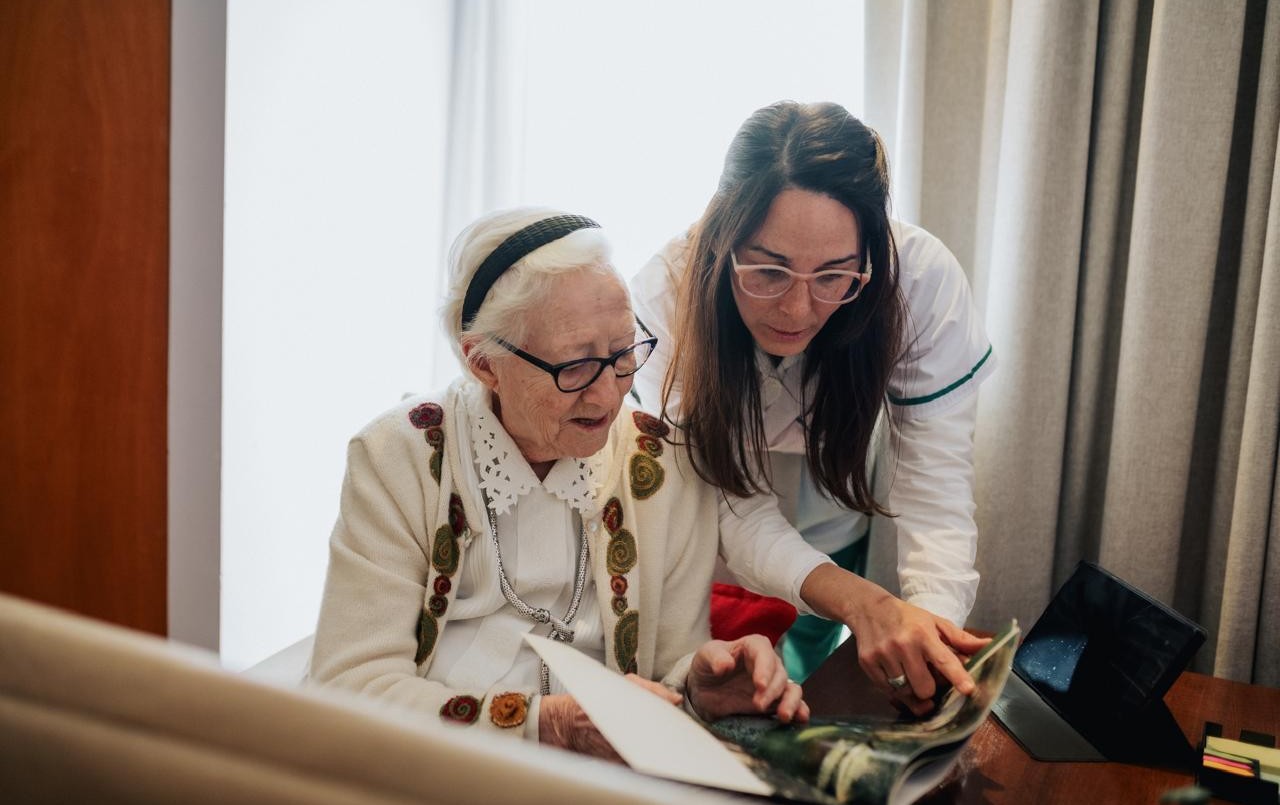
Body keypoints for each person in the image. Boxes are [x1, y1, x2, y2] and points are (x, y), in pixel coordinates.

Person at [308, 207, 806, 758]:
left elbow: (668, 664)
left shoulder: (667, 464)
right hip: (429, 766)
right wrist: (544, 724)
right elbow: (348, 690)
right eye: (575, 366)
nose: (608, 395)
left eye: (623, 354)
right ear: (484, 363)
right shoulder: (398, 457)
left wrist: (702, 685)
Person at [630, 101, 994, 712]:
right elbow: (731, 505)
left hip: (832, 514)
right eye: (769, 272)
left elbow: (933, 491)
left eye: (833, 277)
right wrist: (864, 601)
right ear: (723, 241)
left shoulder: (921, 282)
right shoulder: (667, 293)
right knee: (718, 705)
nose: (797, 311)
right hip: (705, 531)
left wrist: (926, 636)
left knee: (809, 705)